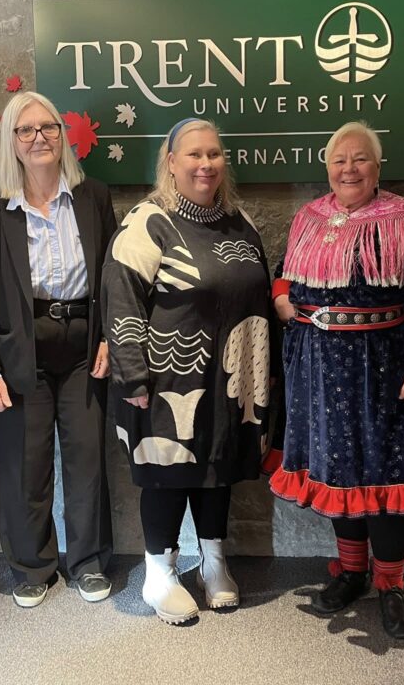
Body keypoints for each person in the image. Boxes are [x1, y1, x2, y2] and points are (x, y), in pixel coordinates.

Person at [269, 121, 404, 640]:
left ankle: (391, 585)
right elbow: (285, 268)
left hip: (387, 368)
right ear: (327, 167)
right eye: (339, 160)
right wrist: (283, 295)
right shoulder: (308, 217)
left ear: (378, 167)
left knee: (389, 472)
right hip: (319, 366)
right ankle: (352, 571)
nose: (348, 168)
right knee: (339, 474)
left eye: (360, 159)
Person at [102, 118, 271, 624]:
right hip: (166, 376)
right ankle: (160, 574)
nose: (205, 164)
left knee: (217, 468)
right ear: (171, 162)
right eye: (193, 155)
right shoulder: (147, 221)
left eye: (214, 154)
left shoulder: (240, 221)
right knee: (167, 471)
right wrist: (132, 376)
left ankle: (213, 563)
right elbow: (121, 297)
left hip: (230, 379)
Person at [0, 91, 116, 609]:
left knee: (86, 459)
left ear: (61, 134)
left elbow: (113, 278)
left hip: (83, 346)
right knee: (24, 463)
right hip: (20, 352)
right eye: (25, 131)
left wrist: (110, 340)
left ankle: (89, 563)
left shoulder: (93, 196)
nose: (38, 138)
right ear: (13, 141)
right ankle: (31, 567)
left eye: (47, 127)